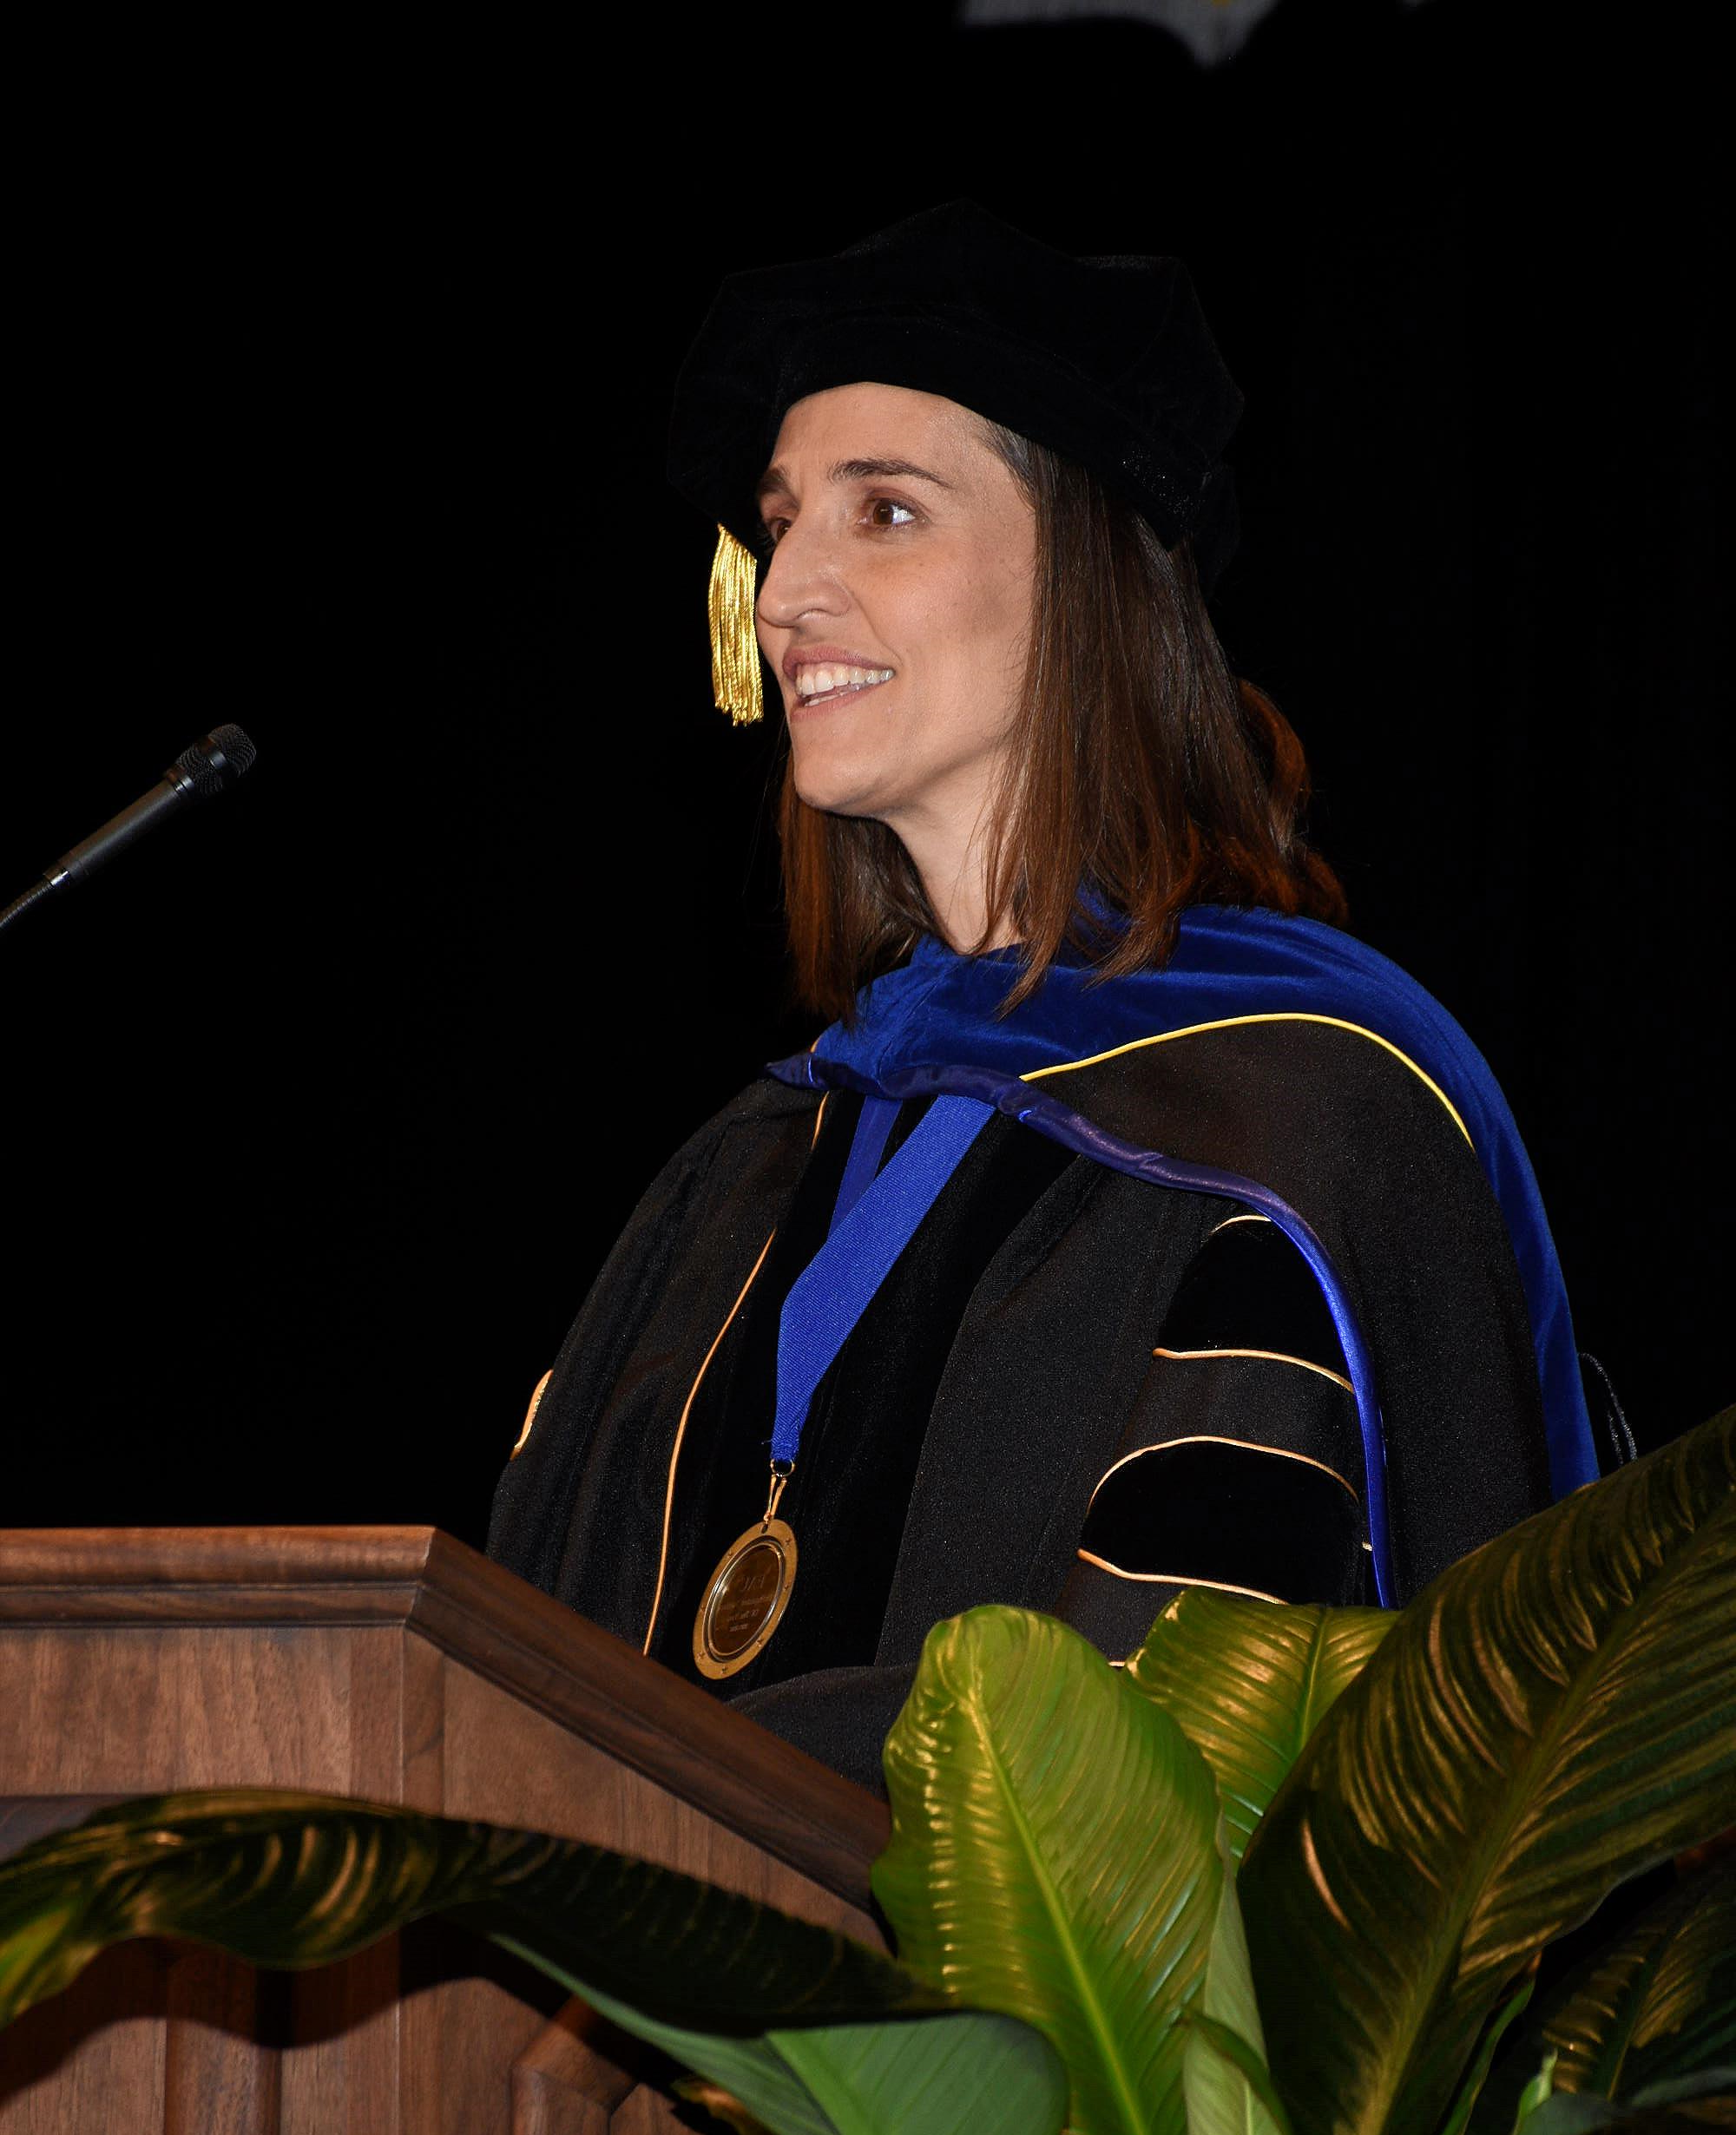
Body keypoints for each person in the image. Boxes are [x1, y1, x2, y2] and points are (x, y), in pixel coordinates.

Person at [488, 201, 1606, 1793]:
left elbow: (1183, 1757)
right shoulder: (750, 1170)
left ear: (1079, 574)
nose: (790, 584)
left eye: (884, 513)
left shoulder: (1301, 1112)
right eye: (783, 518)